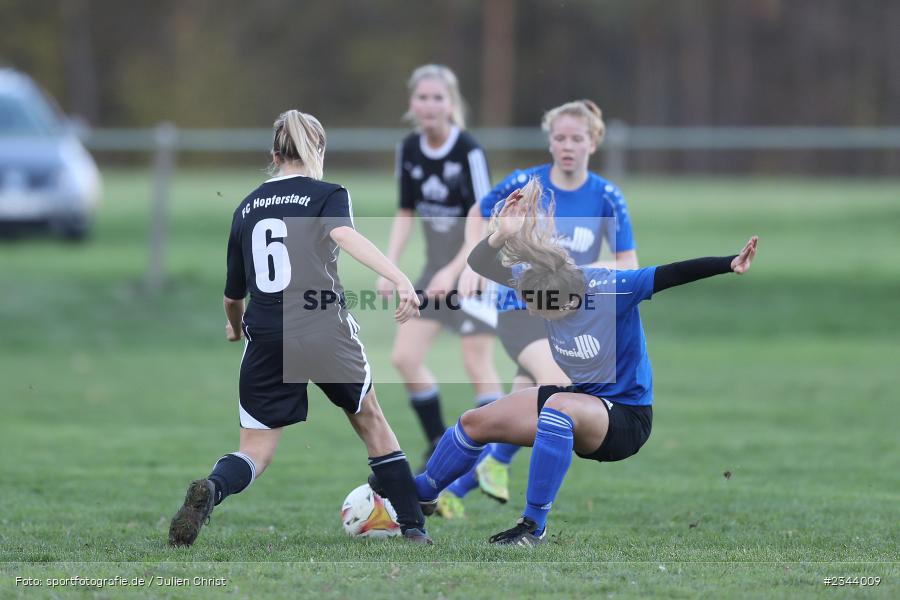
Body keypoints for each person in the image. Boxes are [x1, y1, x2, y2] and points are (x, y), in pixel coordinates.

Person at [396, 178, 758, 545]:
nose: (540, 315)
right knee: (475, 422)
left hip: (625, 417)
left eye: (545, 311)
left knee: (557, 405)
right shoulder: (539, 280)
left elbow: (673, 273)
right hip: (579, 400)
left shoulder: (613, 289)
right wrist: (501, 234)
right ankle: (422, 492)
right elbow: (479, 263)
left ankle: (533, 526)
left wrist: (730, 263)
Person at [168, 109, 432, 547]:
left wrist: (234, 329)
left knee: (254, 449)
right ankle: (414, 529)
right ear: (319, 150)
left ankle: (212, 490)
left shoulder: (247, 207)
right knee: (372, 423)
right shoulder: (327, 193)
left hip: (268, 332)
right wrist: (402, 278)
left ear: (274, 153)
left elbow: (233, 297)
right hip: (323, 326)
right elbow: (344, 236)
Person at [440, 99, 639, 515]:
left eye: (577, 138)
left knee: (518, 410)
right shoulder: (526, 182)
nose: (567, 146)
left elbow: (628, 265)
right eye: (559, 138)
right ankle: (511, 493)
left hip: (569, 321)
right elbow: (479, 212)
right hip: (522, 308)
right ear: (549, 141)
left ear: (594, 142)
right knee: (558, 389)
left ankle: (454, 488)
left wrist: (571, 272)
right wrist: (472, 263)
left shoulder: (606, 196)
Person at [377, 64, 503, 468]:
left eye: (438, 98)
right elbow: (404, 212)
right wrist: (388, 266)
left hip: (477, 267)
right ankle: (439, 445)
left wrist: (456, 271)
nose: (429, 105)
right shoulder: (409, 149)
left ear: (452, 104)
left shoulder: (468, 150)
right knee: (404, 358)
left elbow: (484, 217)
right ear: (412, 103)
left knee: (475, 361)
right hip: (436, 269)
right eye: (422, 97)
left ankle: (492, 460)